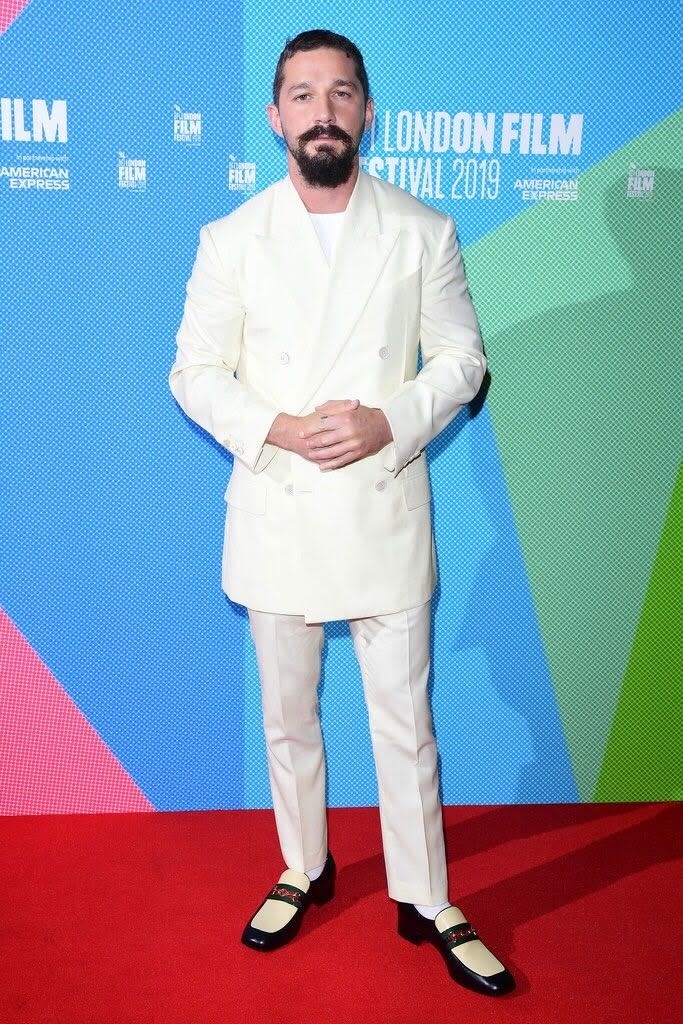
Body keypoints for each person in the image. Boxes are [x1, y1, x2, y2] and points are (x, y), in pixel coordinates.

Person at [169, 29, 514, 997]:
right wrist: (278, 424)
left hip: (380, 502)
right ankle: (302, 865)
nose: (322, 110)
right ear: (275, 116)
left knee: (404, 718)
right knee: (288, 717)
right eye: (302, 94)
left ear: (366, 112)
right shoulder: (229, 239)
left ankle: (425, 893)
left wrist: (386, 419)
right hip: (278, 503)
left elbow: (459, 360)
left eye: (341, 92)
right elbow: (192, 372)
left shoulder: (422, 230)